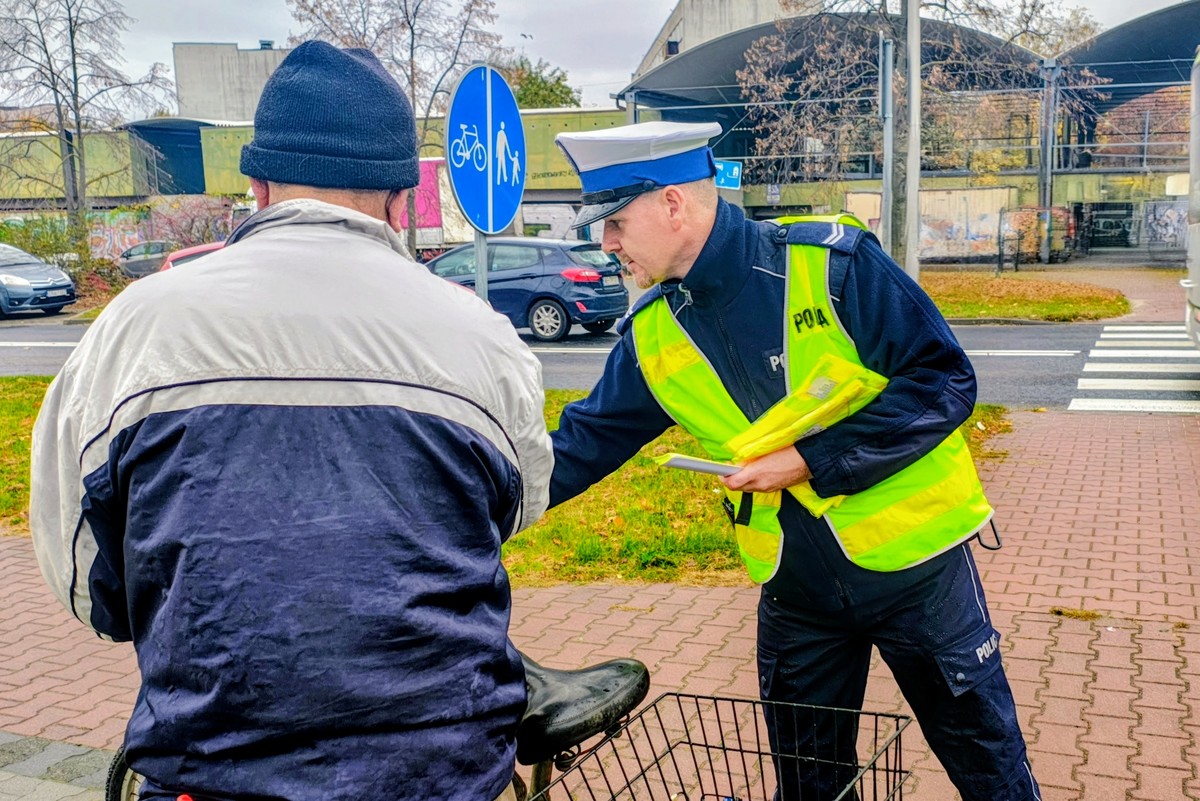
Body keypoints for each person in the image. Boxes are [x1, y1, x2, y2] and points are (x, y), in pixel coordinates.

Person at [29, 41, 552, 801]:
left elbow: (82, 569)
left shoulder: (134, 327)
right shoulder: (480, 336)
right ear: (402, 198)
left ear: (258, 184)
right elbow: (513, 514)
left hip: (211, 774)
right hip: (441, 776)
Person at [550, 120, 1041, 801]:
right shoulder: (652, 332)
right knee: (811, 789)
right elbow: (580, 443)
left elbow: (944, 381)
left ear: (672, 205)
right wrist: (463, 510)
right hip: (797, 595)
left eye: (615, 222)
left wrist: (809, 460)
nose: (604, 243)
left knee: (992, 772)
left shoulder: (830, 265)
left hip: (918, 578)